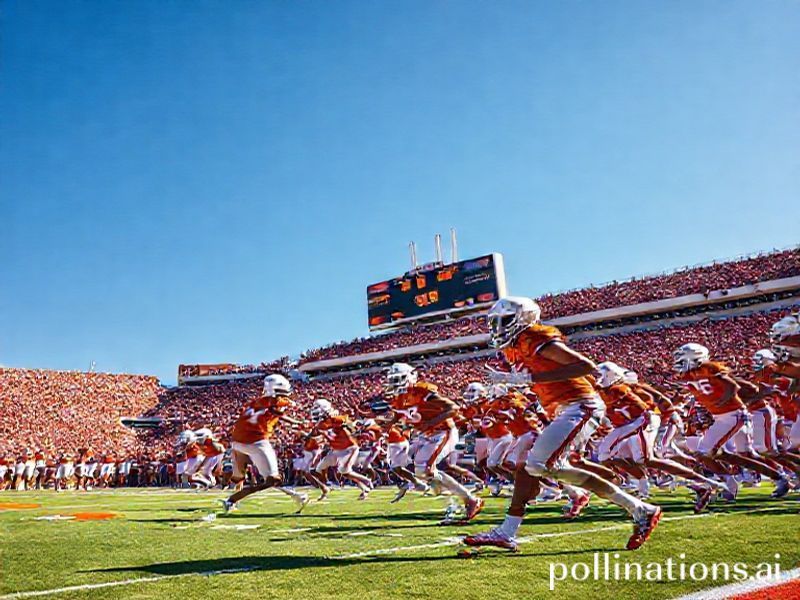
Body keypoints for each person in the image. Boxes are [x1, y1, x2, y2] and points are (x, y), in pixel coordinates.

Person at [464, 297, 662, 552]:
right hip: (563, 408)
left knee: (537, 465)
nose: (496, 327)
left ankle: (639, 508)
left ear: (521, 318)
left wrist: (527, 377)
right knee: (529, 468)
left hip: (581, 404)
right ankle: (506, 532)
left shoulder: (533, 337)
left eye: (501, 321)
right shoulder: (514, 346)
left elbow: (586, 367)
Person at [220, 374, 309, 514]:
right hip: (256, 442)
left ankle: (296, 495)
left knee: (246, 477)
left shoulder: (255, 403)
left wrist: (293, 422)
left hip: (238, 442)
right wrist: (296, 419)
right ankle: (231, 499)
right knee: (272, 479)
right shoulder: (275, 401)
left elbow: (271, 411)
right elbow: (277, 407)